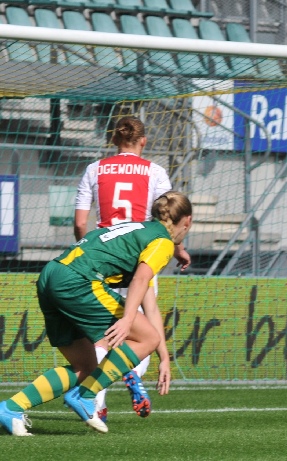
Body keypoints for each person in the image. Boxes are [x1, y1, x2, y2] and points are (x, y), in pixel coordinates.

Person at [0, 191, 192, 436]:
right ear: (187, 221)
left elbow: (148, 300)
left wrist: (164, 358)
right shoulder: (162, 242)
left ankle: (10, 408)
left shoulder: (138, 231)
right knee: (146, 338)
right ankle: (86, 395)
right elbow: (142, 279)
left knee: (85, 366)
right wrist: (128, 319)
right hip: (77, 281)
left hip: (51, 275)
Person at [74, 115, 190, 422]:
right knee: (145, 332)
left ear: (114, 140)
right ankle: (132, 372)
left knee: (100, 334)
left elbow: (80, 222)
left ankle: (96, 404)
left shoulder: (94, 169)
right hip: (142, 256)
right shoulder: (155, 171)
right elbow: (168, 216)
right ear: (144, 141)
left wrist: (86, 253)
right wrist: (178, 250)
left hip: (102, 259)